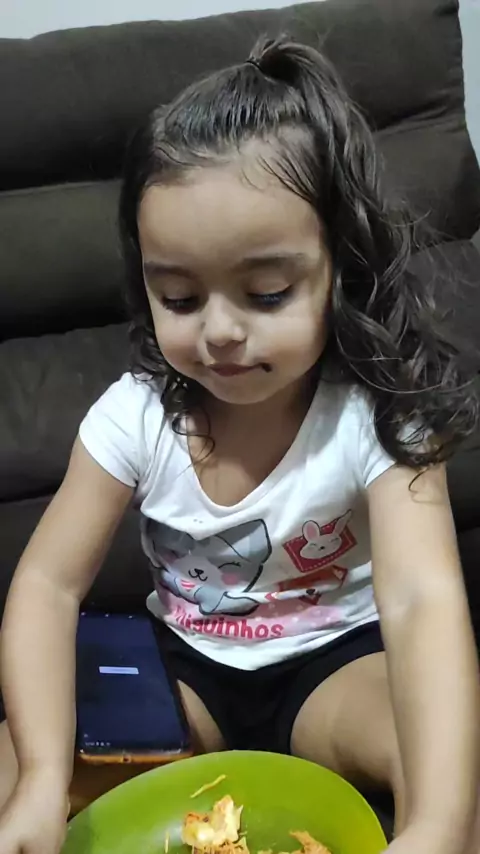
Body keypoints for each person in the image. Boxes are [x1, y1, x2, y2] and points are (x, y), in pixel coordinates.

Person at [0, 34, 479, 854]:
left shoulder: (378, 417)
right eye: (180, 298)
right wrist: (43, 776)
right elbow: (46, 585)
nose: (219, 331)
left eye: (266, 293)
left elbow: (420, 601)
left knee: (458, 775)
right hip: (184, 675)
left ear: (339, 270)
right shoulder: (133, 417)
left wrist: (436, 822)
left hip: (336, 670)